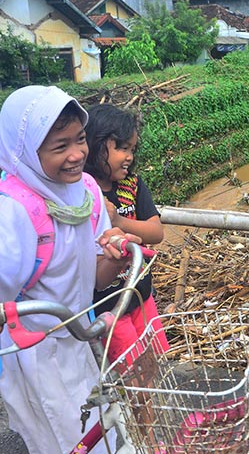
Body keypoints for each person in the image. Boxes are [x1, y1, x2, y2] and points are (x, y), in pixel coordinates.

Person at [0, 85, 140, 454]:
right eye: (61, 146)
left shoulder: (84, 189)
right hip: (34, 357)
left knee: (102, 434)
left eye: (80, 139)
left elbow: (93, 279)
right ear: (25, 150)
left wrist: (113, 260)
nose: (77, 155)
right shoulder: (13, 210)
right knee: (67, 442)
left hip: (77, 340)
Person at [84, 103, 169, 362]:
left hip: (141, 294)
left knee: (158, 360)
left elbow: (155, 232)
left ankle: (150, 404)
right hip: (108, 306)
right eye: (121, 148)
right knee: (135, 374)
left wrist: (117, 219)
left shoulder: (131, 185)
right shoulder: (83, 194)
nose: (129, 156)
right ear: (95, 145)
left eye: (132, 149)